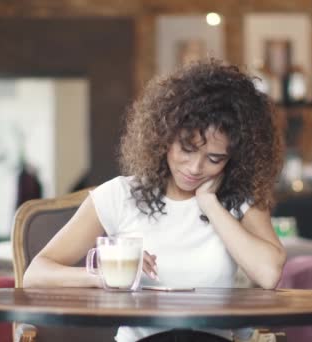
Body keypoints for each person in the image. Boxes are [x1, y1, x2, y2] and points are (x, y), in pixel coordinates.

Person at [22, 59, 286, 341]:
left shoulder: (239, 200)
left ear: (234, 158)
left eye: (214, 159)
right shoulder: (120, 196)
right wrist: (105, 276)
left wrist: (209, 203)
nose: (195, 168)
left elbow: (268, 274)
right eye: (186, 149)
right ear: (164, 136)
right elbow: (36, 274)